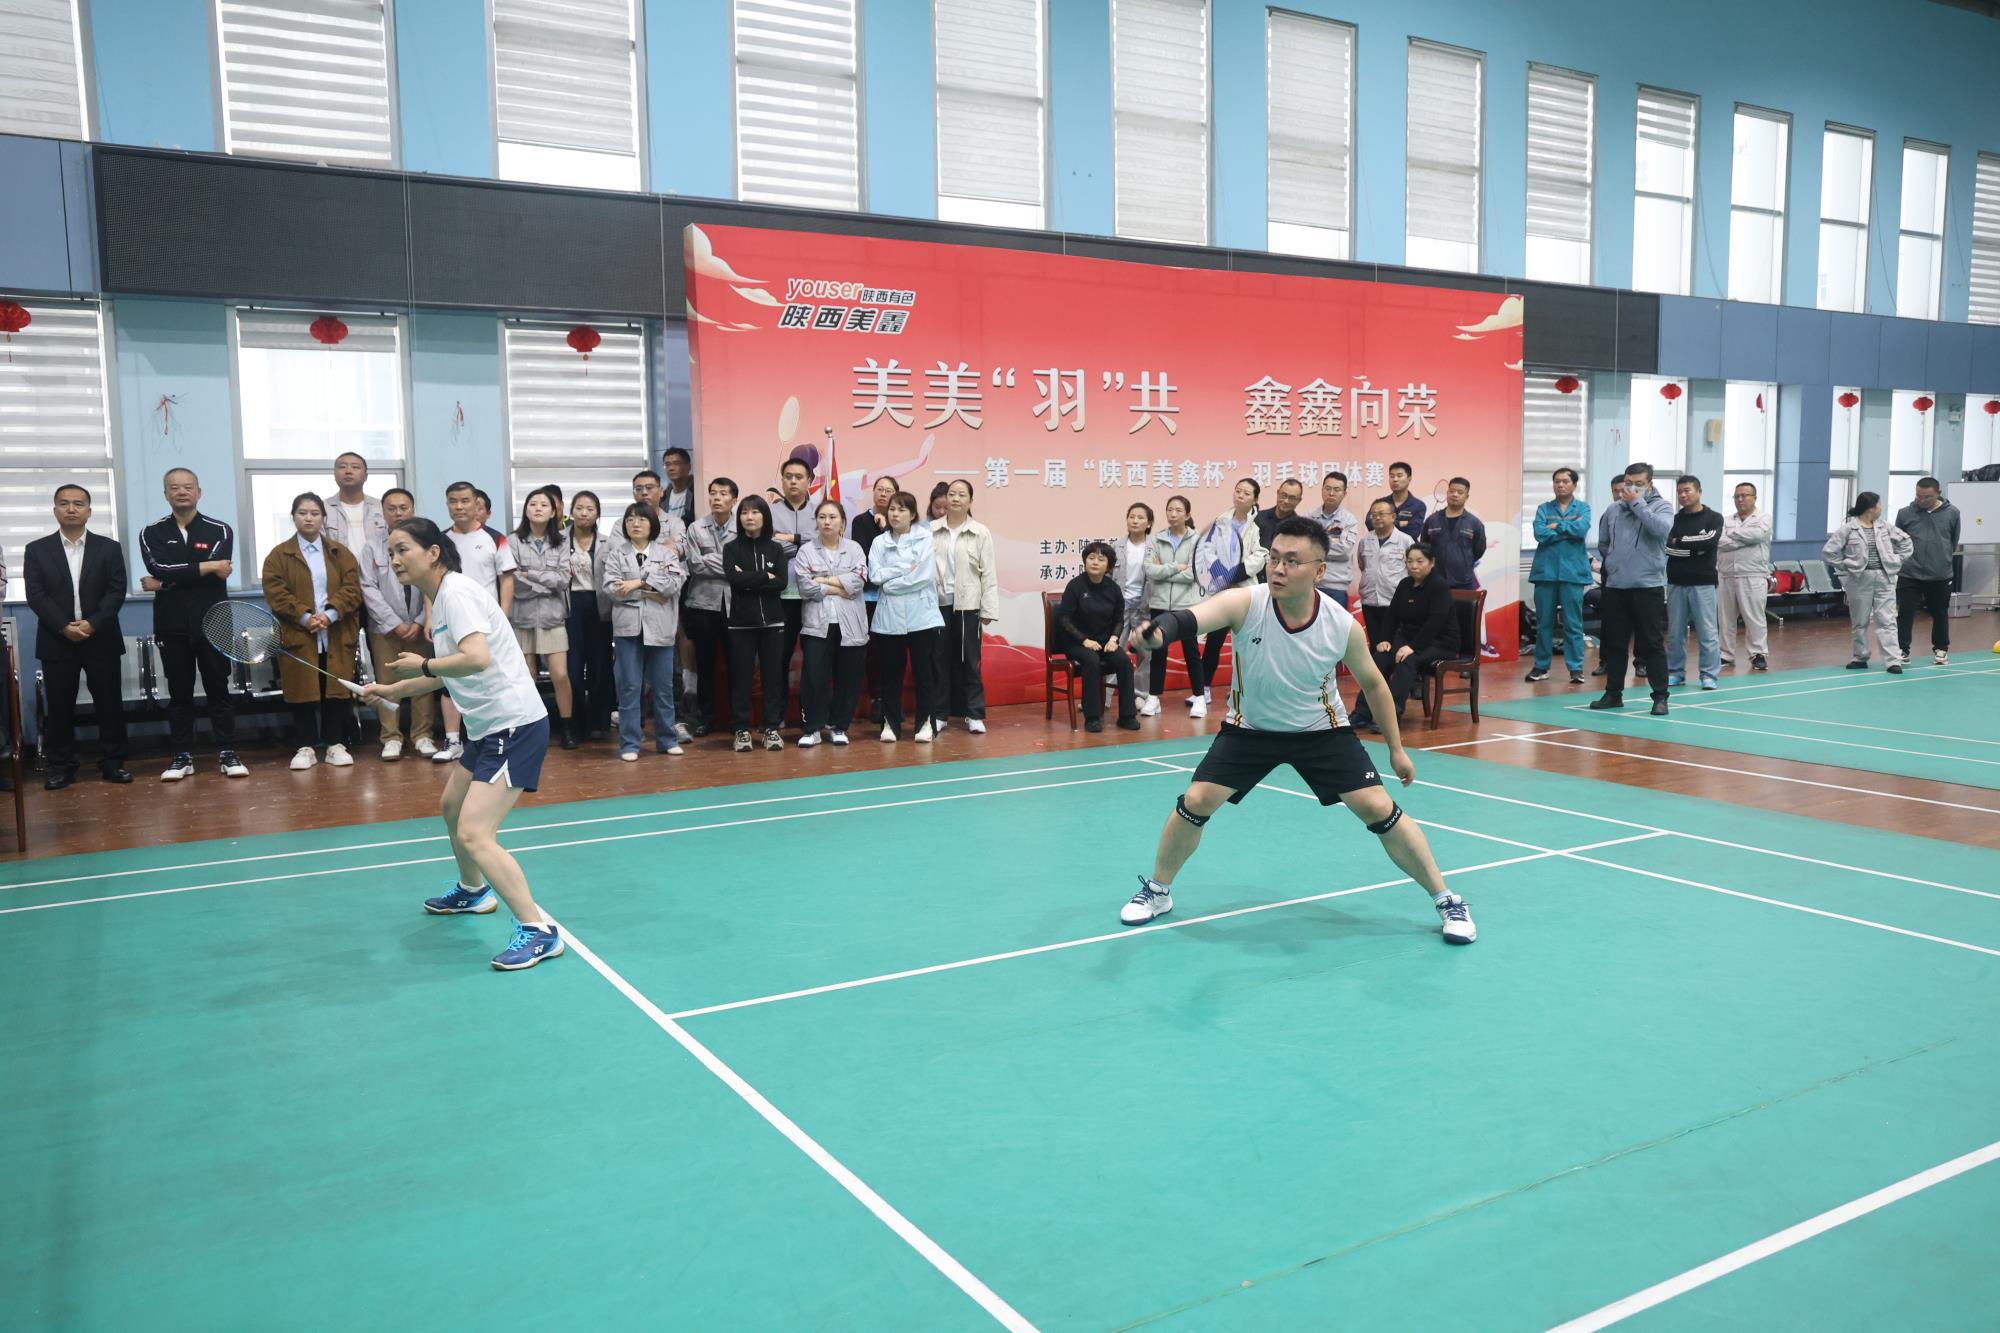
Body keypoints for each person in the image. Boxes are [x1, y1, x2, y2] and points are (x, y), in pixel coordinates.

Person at [1119, 517, 1475, 945]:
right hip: (1250, 729)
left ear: (1319, 570)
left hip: (1321, 731)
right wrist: (1160, 632)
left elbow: (1374, 684)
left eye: (1292, 561)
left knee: (1379, 807)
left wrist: (1396, 749)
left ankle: (1446, 899)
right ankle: (1158, 891)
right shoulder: (1246, 603)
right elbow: (1190, 619)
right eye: (1274, 559)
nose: (1279, 569)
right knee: (1196, 800)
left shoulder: (1340, 625)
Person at [358, 518, 564, 971]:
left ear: (433, 553)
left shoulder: (457, 594)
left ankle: (538, 931)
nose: (394, 560)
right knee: (452, 807)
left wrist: (423, 666)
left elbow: (475, 658)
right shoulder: (441, 598)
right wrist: (392, 691)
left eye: (403, 550)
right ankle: (473, 891)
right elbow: (445, 672)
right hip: (487, 726)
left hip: (514, 725)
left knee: (474, 832)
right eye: (390, 553)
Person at [138, 467, 247, 779]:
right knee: (179, 692)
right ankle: (182, 756)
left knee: (219, 689)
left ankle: (227, 752)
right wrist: (208, 567)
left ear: (199, 492)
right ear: (166, 494)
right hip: (171, 624)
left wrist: (163, 583)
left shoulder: (220, 529)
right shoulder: (150, 532)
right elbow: (160, 567)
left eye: (188, 486)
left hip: (214, 622)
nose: (181, 491)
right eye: (174, 487)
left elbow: (166, 574)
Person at [25, 484, 130, 787]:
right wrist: (64, 626)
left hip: (101, 637)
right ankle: (62, 766)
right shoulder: (37, 550)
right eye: (64, 503)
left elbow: (116, 591)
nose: (71, 509)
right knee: (59, 707)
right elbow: (36, 594)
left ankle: (113, 763)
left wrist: (91, 624)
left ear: (89, 511)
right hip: (56, 639)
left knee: (109, 704)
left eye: (78, 503)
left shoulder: (109, 548)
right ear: (55, 510)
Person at [261, 492, 364, 770]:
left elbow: (353, 589)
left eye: (315, 513)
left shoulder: (340, 553)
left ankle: (334, 744)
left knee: (335, 689)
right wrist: (305, 617)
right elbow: (276, 593)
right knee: (302, 690)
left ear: (323, 518)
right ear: (293, 517)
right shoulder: (278, 556)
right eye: (302, 513)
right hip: (299, 633)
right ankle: (305, 747)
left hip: (336, 631)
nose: (309, 518)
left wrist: (330, 614)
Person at [438, 480, 516, 763]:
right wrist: (430, 616)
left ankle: (491, 736)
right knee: (450, 679)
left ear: (476, 504)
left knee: (489, 679)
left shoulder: (496, 538)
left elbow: (507, 579)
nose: (459, 506)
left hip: (486, 624)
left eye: (465, 501)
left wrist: (503, 615)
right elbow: (431, 580)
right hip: (450, 621)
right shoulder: (440, 541)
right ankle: (452, 740)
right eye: (453, 501)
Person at [358, 487, 437, 759]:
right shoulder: (371, 547)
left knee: (423, 680)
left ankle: (423, 735)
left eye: (404, 507)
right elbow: (368, 587)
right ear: (382, 513)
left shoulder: (426, 545)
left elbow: (433, 582)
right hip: (385, 629)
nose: (398, 513)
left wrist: (420, 621)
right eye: (391, 509)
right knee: (386, 682)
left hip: (420, 628)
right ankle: (391, 737)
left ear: (413, 510)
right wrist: (393, 623)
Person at [605, 502, 687, 758]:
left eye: (641, 519)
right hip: (627, 628)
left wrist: (637, 583)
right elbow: (612, 589)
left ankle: (667, 739)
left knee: (663, 687)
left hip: (660, 627)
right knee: (630, 686)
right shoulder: (616, 554)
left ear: (652, 524)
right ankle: (630, 744)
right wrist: (651, 591)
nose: (635, 523)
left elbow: (673, 585)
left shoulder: (666, 553)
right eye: (630, 519)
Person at [1592, 464, 1675, 716]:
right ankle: (1613, 694)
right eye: (1629, 482)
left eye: (1639, 483)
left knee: (1652, 644)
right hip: (1616, 587)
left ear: (1650, 484)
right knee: (1615, 644)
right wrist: (1615, 563)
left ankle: (1660, 697)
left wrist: (1638, 503)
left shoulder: (1662, 507)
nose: (1632, 488)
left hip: (1648, 587)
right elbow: (1604, 543)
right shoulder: (1613, 510)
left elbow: (1661, 530)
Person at [1349, 543, 1458, 732]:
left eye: (1420, 561)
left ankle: (1390, 716)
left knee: (1407, 659)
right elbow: (1392, 614)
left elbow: (1435, 622)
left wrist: (1413, 647)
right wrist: (1385, 639)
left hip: (1440, 642)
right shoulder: (1405, 584)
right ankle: (1362, 713)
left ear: (1431, 562)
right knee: (1380, 658)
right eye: (1410, 561)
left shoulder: (1439, 586)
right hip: (1408, 640)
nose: (1414, 566)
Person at [867, 490, 945, 743]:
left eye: (901, 510)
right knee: (890, 673)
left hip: (921, 615)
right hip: (889, 617)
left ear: (912, 515)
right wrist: (902, 569)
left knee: (924, 672)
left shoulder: (924, 538)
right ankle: (890, 724)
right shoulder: (879, 542)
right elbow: (874, 576)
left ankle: (925, 724)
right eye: (892, 509)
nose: (895, 514)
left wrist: (891, 581)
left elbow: (923, 576)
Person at [796, 499, 868, 745]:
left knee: (848, 677)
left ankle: (839, 727)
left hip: (851, 624)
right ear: (816, 521)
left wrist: (823, 580)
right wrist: (840, 586)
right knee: (814, 677)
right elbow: (805, 587)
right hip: (817, 624)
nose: (827, 522)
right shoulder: (806, 551)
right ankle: (812, 729)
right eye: (822, 517)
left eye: (832, 517)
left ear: (842, 523)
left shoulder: (854, 549)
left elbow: (859, 581)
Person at [509, 487, 576, 747]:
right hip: (522, 616)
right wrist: (543, 583)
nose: (538, 508)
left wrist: (531, 575)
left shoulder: (562, 540)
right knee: (526, 677)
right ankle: (530, 729)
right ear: (526, 510)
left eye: (544, 505)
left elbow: (563, 579)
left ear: (553, 512)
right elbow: (514, 579)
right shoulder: (513, 541)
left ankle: (567, 728)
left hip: (552, 616)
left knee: (560, 674)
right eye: (533, 504)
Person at [932, 478, 999, 734]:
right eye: (952, 494)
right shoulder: (931, 530)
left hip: (968, 605)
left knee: (970, 661)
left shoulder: (980, 532)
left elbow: (989, 573)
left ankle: (974, 713)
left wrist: (988, 609)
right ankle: (940, 714)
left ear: (970, 501)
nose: (956, 498)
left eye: (962, 494)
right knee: (939, 660)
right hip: (938, 604)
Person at [724, 494, 789, 751]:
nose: (749, 517)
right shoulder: (731, 548)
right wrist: (765, 576)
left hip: (773, 622)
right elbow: (734, 579)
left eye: (755, 512)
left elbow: (781, 582)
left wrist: (750, 578)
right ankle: (741, 729)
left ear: (765, 516)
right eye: (744, 512)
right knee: (741, 678)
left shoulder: (776, 549)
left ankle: (771, 728)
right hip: (741, 623)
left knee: (773, 677)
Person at [1195, 478, 1269, 704]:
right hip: (1222, 587)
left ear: (1255, 499)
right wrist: (1221, 573)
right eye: (1238, 491)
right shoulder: (1221, 520)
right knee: (1214, 641)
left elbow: (1262, 554)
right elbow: (1208, 548)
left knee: (1246, 644)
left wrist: (1236, 574)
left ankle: (1242, 687)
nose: (1240, 496)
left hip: (1245, 589)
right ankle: (1204, 688)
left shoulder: (1260, 523)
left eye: (1246, 493)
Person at [1057, 540, 1141, 733]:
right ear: (1085, 561)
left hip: (1104, 642)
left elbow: (1118, 619)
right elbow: (1064, 620)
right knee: (1092, 660)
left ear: (1109, 565)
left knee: (1124, 663)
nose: (1095, 562)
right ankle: (1092, 717)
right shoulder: (1075, 586)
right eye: (1091, 557)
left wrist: (1114, 638)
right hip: (1077, 643)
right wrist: (1084, 640)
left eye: (1101, 559)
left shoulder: (1113, 589)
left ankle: (1127, 716)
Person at [1823, 492, 1912, 672]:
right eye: (1879, 504)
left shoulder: (1885, 527)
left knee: (1887, 620)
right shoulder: (1848, 529)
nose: (1881, 508)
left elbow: (1906, 542)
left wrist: (1896, 560)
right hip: (1859, 579)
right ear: (1871, 508)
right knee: (1860, 621)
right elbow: (1829, 552)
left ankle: (1893, 661)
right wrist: (1847, 565)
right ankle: (1860, 657)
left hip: (1884, 578)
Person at [683, 477, 737, 737]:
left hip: (735, 605)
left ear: (734, 500)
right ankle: (706, 718)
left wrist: (714, 562)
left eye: (723, 493)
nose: (717, 498)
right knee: (705, 664)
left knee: (737, 664)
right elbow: (695, 565)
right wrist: (730, 565)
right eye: (713, 493)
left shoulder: (744, 526)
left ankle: (737, 719)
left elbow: (744, 566)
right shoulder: (696, 527)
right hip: (702, 604)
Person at [1527, 468, 1592, 685]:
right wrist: (1566, 532)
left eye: (1565, 481)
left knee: (1573, 624)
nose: (1560, 485)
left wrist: (1557, 527)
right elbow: (1540, 533)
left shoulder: (1583, 508)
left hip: (1573, 574)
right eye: (1557, 481)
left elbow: (1581, 530)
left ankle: (1576, 668)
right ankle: (1541, 666)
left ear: (1574, 485)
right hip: (1545, 573)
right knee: (1543, 624)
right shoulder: (1543, 508)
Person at [1145, 495, 1207, 715]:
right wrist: (1176, 567)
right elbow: (1150, 570)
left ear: (1187, 515)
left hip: (1186, 605)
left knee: (1191, 652)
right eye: (1169, 510)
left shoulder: (1197, 540)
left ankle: (1199, 697)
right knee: (1158, 651)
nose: (1173, 514)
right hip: (1159, 603)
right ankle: (1153, 698)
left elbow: (1193, 574)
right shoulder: (1156, 539)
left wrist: (1164, 569)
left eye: (1178, 510)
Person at [562, 491, 616, 740]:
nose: (584, 513)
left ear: (598, 514)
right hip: (569, 608)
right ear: (571, 511)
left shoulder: (608, 542)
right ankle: (574, 723)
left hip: (599, 606)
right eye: (579, 508)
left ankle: (599, 722)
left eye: (590, 509)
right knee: (572, 667)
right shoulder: (559, 540)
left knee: (600, 665)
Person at [1664, 475, 1723, 690]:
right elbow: (1667, 547)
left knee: (1708, 632)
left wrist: (1680, 542)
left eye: (1687, 490)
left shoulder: (1714, 518)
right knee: (1675, 633)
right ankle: (1675, 672)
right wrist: (1693, 549)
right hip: (1676, 581)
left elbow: (1709, 541)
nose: (1683, 495)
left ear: (1699, 491)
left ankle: (1709, 675)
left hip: (1703, 582)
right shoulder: (1673, 520)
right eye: (1679, 491)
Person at [1895, 477, 1960, 667]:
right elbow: (1897, 540)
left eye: (1927, 497)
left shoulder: (1953, 513)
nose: (1922, 500)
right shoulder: (1904, 513)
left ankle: (1941, 649)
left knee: (1939, 613)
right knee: (1905, 612)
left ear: (1938, 494)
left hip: (1940, 574)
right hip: (1909, 573)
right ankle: (1902, 650)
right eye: (1918, 496)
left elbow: (1953, 541)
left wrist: (1941, 558)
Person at [771, 457, 816, 723]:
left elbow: (823, 543)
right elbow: (770, 547)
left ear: (809, 481)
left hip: (813, 596)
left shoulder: (821, 511)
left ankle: (810, 713)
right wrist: (803, 545)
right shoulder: (770, 511)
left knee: (814, 658)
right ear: (782, 480)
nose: (793, 481)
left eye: (799, 477)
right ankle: (776, 715)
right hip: (781, 596)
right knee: (779, 657)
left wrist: (791, 539)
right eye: (788, 476)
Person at [851, 473, 898, 724]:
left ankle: (891, 700)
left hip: (895, 596)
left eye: (888, 490)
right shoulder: (861, 521)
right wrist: (880, 530)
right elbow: (865, 555)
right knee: (873, 650)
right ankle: (876, 699)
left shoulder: (901, 523)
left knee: (893, 649)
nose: (883, 493)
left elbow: (901, 558)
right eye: (879, 488)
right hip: (870, 596)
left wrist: (887, 527)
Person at [1717, 481, 1773, 672]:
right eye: (1737, 496)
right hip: (1726, 575)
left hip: (1753, 575)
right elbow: (1719, 542)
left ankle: (1758, 654)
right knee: (1725, 619)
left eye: (1745, 495)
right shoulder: (1724, 520)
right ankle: (1725, 654)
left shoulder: (1764, 518)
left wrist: (1732, 536)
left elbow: (1757, 536)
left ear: (1754, 498)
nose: (1740, 499)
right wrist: (1743, 539)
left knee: (1754, 618)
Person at [1116, 501, 1158, 716]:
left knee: (1146, 653)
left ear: (1149, 523)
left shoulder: (1155, 546)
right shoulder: (1117, 546)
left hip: (1145, 607)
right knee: (1113, 649)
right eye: (1131, 516)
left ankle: (1140, 695)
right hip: (1120, 606)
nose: (1135, 520)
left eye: (1140, 517)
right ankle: (1104, 696)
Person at [1357, 497, 1413, 648]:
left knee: (1394, 644)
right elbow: (1362, 565)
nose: (1377, 517)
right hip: (1370, 601)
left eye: (1381, 514)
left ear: (1393, 517)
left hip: (1394, 602)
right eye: (1373, 514)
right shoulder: (1365, 540)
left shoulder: (1406, 541)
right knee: (1375, 644)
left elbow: (1412, 571)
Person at [1300, 471, 1361, 609]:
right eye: (1328, 489)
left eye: (1336, 490)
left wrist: (1314, 545)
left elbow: (1344, 550)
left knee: (1335, 623)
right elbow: (1302, 547)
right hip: (1310, 584)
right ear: (1322, 490)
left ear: (1344, 493)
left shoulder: (1349, 520)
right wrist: (1330, 543)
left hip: (1336, 586)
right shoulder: (1309, 517)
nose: (1331, 493)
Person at [319, 451, 386, 553]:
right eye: (342, 467)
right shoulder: (323, 508)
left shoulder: (380, 506)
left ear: (366, 476)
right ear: (334, 475)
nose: (348, 471)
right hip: (338, 563)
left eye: (355, 467)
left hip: (377, 564)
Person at [1378, 461, 1426, 539]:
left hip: (1407, 546)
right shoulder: (1380, 503)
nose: (1395, 479)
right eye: (1392, 476)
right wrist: (1400, 523)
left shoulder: (1418, 506)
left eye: (1399, 476)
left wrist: (1386, 523)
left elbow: (1414, 531)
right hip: (1383, 545)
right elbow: (1370, 524)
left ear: (1409, 478)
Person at [1256, 477, 1304, 553]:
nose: (1286, 501)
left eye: (1292, 498)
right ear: (1278, 493)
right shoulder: (1259, 517)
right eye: (1284, 495)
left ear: (1299, 500)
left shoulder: (1300, 528)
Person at [661, 447, 698, 527]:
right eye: (667, 464)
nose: (671, 468)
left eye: (676, 463)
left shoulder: (697, 492)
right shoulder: (663, 497)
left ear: (688, 467)